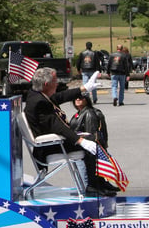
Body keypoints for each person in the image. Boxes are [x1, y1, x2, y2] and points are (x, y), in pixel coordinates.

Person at [23, 68, 115, 197]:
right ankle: (92, 185)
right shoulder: (39, 102)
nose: (57, 83)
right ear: (46, 84)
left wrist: (84, 88)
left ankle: (100, 181)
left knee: (94, 138)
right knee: (90, 143)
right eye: (55, 81)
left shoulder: (37, 94)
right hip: (48, 147)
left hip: (54, 141)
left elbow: (60, 96)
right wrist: (80, 141)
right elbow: (57, 126)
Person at [69, 95, 118, 193]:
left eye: (81, 98)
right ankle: (100, 184)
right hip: (81, 144)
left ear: (86, 100)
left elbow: (90, 134)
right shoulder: (78, 114)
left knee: (92, 167)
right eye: (76, 98)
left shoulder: (88, 113)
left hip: (87, 146)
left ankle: (99, 185)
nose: (78, 99)